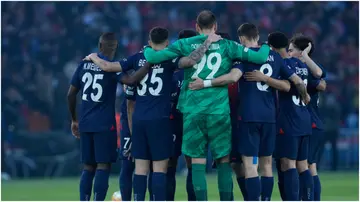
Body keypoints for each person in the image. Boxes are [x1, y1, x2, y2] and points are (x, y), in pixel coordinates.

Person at [143, 11, 270, 201]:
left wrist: (146, 49)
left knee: (197, 162)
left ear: (196, 26)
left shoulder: (185, 44)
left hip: (193, 111)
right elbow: (260, 58)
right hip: (219, 111)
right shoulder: (228, 45)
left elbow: (153, 57)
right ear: (215, 27)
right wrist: (266, 46)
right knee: (224, 161)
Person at [189, 25, 308, 200]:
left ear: (241, 38)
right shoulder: (274, 56)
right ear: (257, 36)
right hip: (269, 118)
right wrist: (304, 95)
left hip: (248, 117)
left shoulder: (242, 56)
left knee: (250, 166)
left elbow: (232, 78)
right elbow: (291, 84)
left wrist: (204, 83)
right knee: (266, 166)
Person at [67, 32, 125, 201]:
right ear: (113, 48)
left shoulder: (84, 65)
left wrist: (74, 119)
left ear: (100, 46)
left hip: (85, 122)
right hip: (105, 124)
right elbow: (128, 81)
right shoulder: (112, 68)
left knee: (88, 166)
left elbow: (70, 94)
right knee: (103, 165)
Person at [288, 34, 327, 201]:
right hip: (309, 123)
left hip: (310, 123)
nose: (288, 53)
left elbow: (320, 78)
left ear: (301, 52)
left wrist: (305, 56)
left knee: (307, 167)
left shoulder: (306, 71)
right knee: (310, 167)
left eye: (291, 50)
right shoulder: (301, 69)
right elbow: (321, 82)